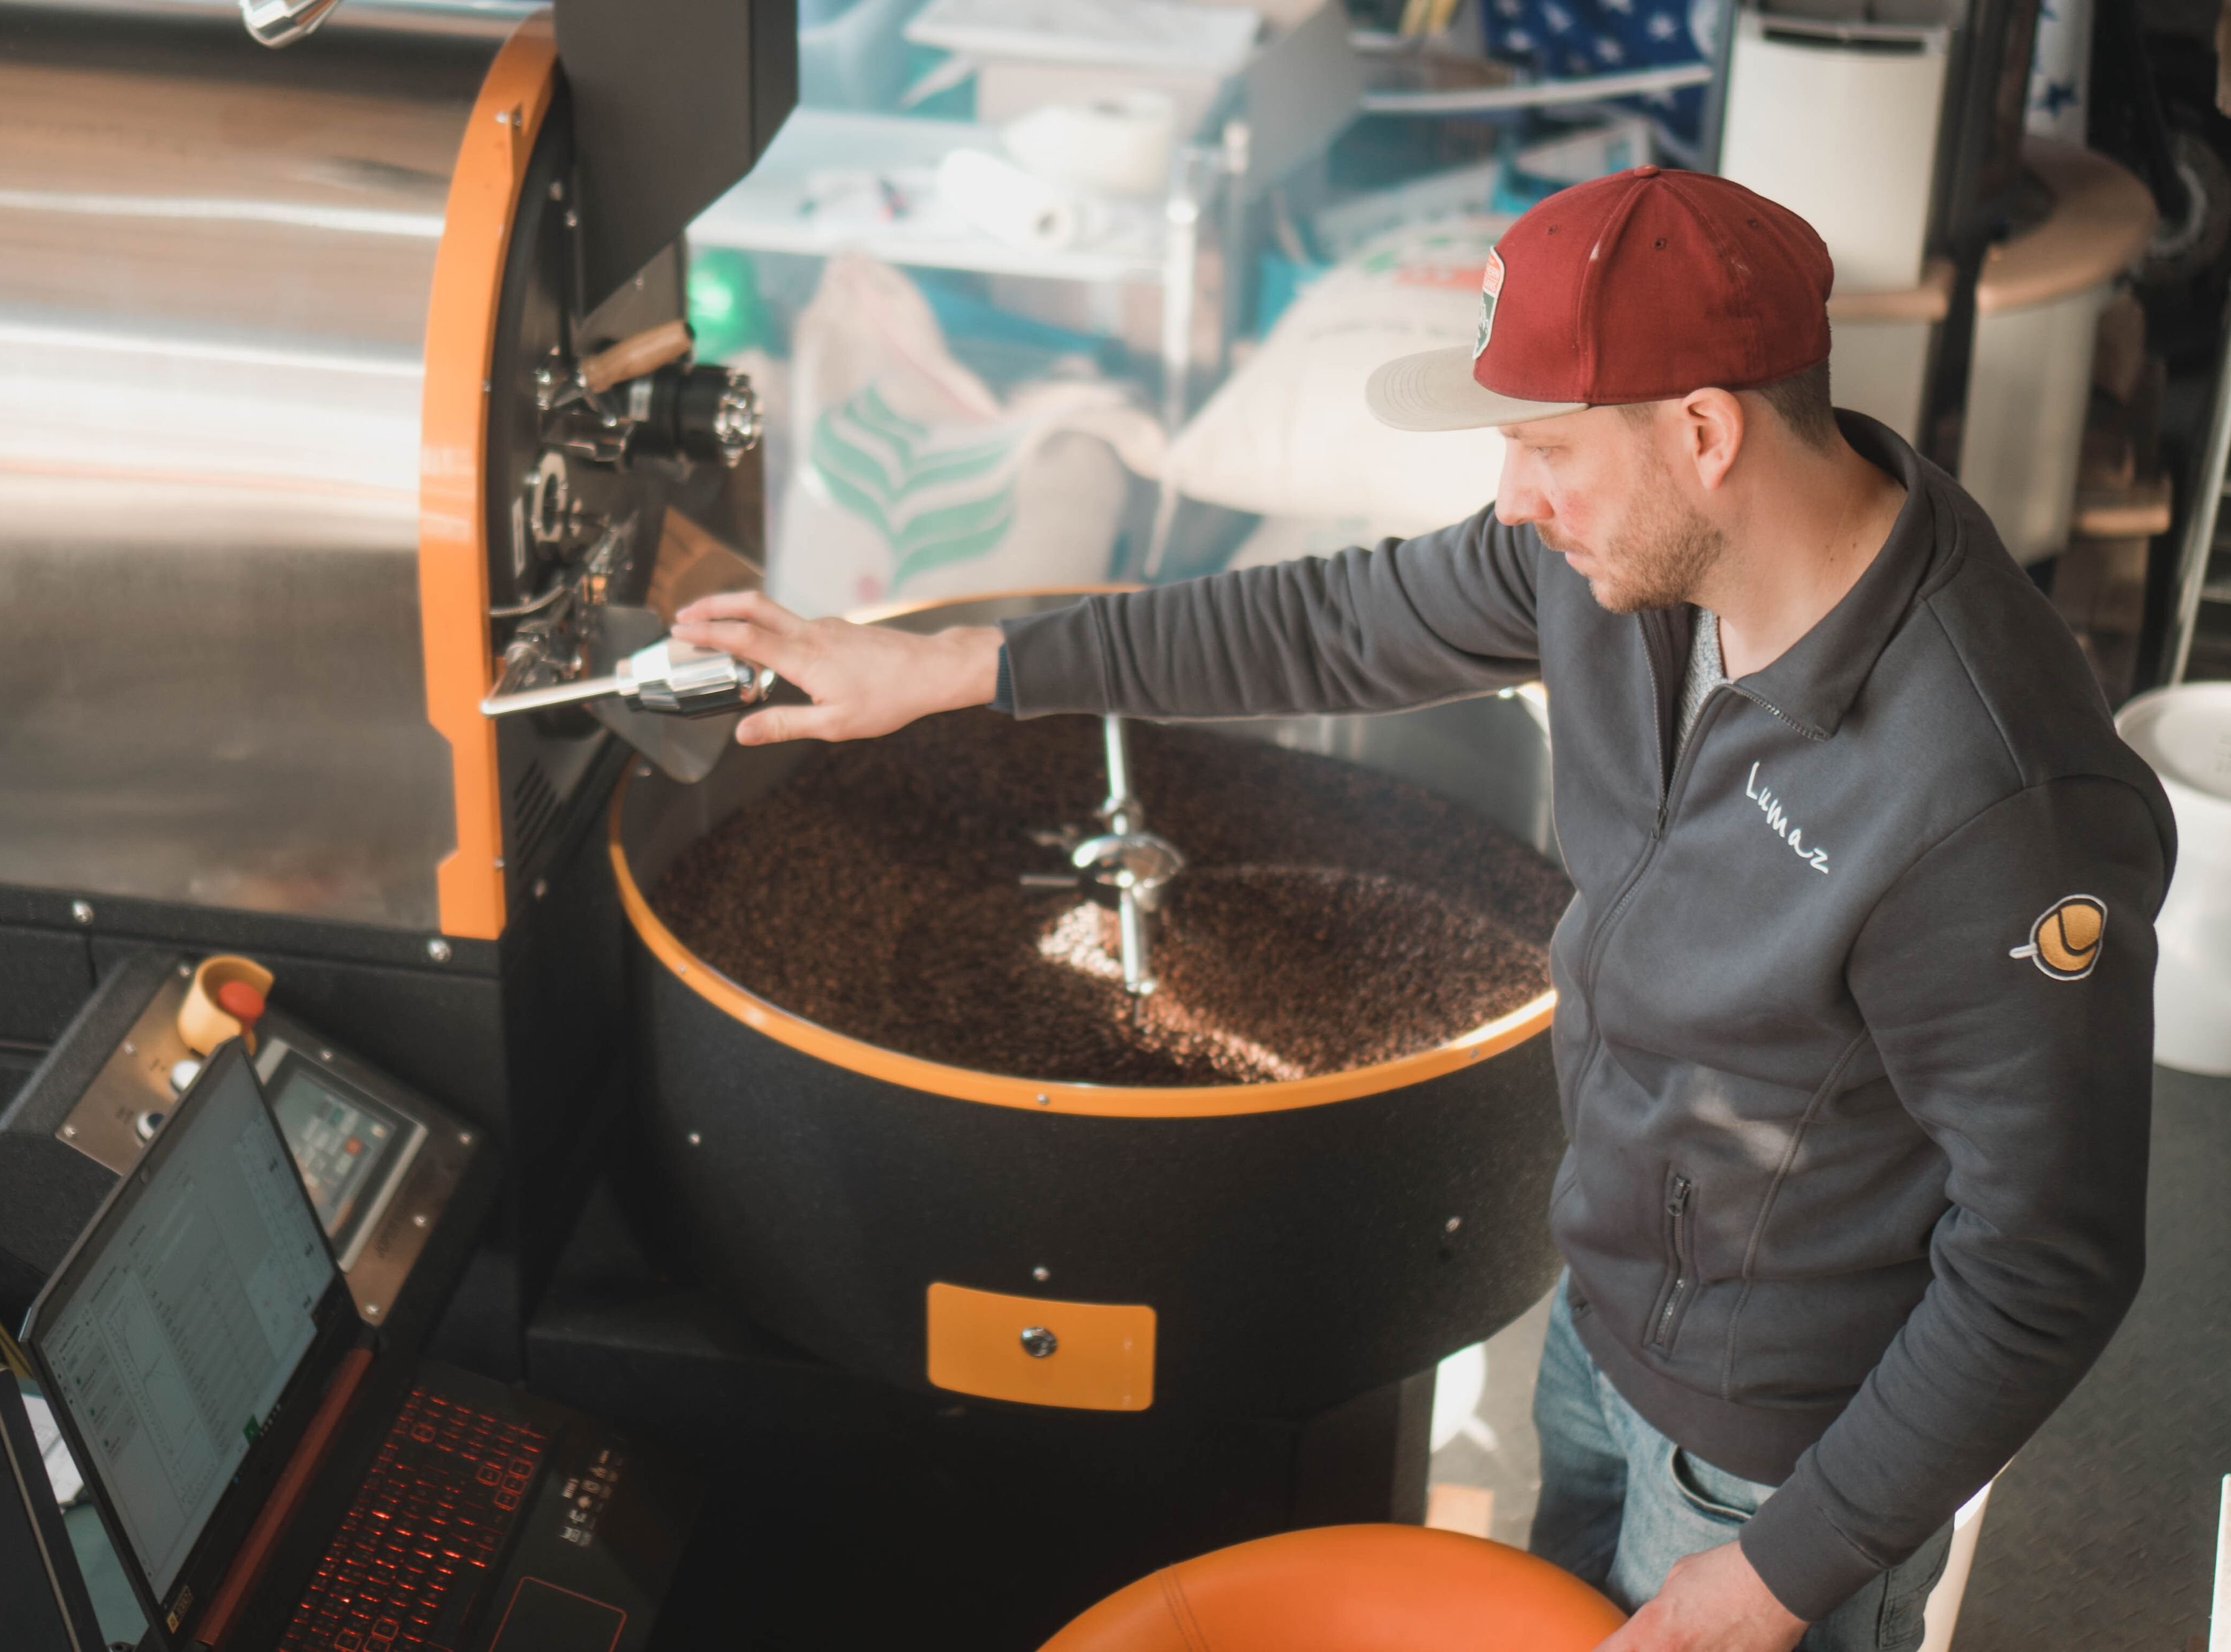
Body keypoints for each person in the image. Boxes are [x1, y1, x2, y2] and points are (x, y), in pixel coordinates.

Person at [671, 167, 2176, 1652]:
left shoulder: (1991, 799)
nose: (1512, 499)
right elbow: (1332, 620)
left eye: (1541, 447)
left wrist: (1779, 1573)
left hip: (1781, 1456)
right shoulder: (1622, 557)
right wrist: (954, 667)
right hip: (1601, 1326)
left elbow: (2041, 1261)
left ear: (1703, 431)